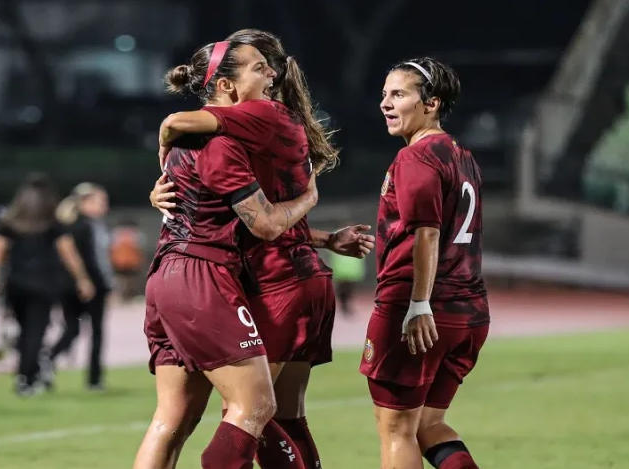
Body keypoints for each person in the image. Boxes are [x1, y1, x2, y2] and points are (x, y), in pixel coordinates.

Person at [152, 28, 375, 469]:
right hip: (300, 274)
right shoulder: (277, 124)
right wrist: (326, 233)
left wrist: (164, 158)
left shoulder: (250, 125)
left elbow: (265, 223)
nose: (266, 72)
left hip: (268, 280)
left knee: (241, 410)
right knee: (278, 413)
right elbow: (263, 215)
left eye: (260, 63)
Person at [358, 58, 490, 469]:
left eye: (398, 94)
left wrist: (418, 304)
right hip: (468, 311)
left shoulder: (417, 157)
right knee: (430, 424)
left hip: (416, 310)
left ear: (431, 103)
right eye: (384, 94)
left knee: (395, 429)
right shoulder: (462, 156)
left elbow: (426, 232)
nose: (385, 103)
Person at [0, 173, 94, 396]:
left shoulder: (10, 223)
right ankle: (28, 378)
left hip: (16, 283)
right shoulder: (52, 223)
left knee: (23, 330)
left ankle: (23, 376)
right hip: (43, 284)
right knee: (36, 331)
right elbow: (68, 253)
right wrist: (82, 279)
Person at [46, 182, 113, 391]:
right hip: (89, 284)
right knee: (96, 332)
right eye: (100, 201)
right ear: (85, 202)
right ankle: (94, 379)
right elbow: (94, 260)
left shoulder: (69, 224)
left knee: (72, 329)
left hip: (69, 285)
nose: (104, 206)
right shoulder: (85, 226)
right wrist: (88, 281)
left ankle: (46, 360)